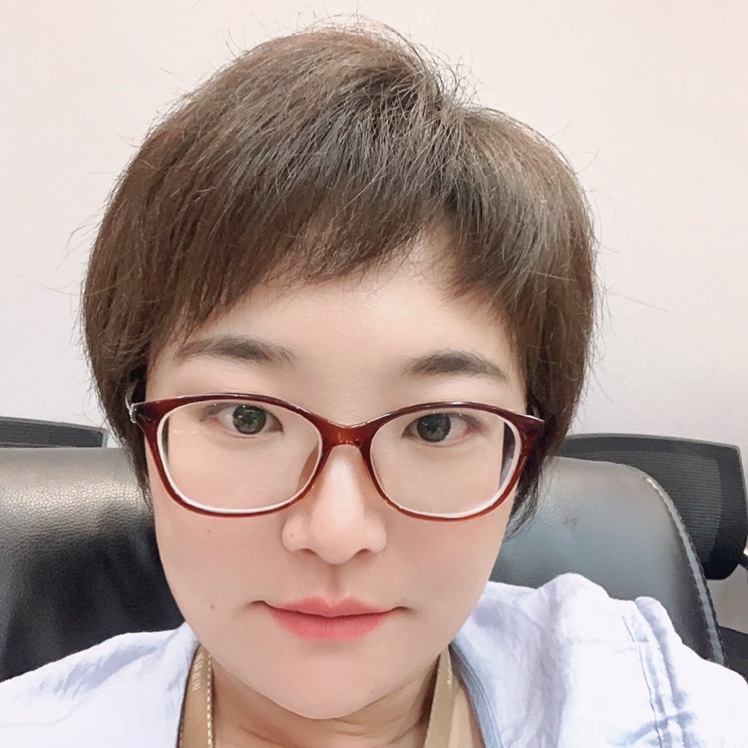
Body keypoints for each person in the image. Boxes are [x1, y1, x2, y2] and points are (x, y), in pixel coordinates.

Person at [0, 22, 745, 748]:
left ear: (523, 450)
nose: (336, 534)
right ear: (142, 431)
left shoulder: (644, 702)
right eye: (247, 416)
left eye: (435, 425)